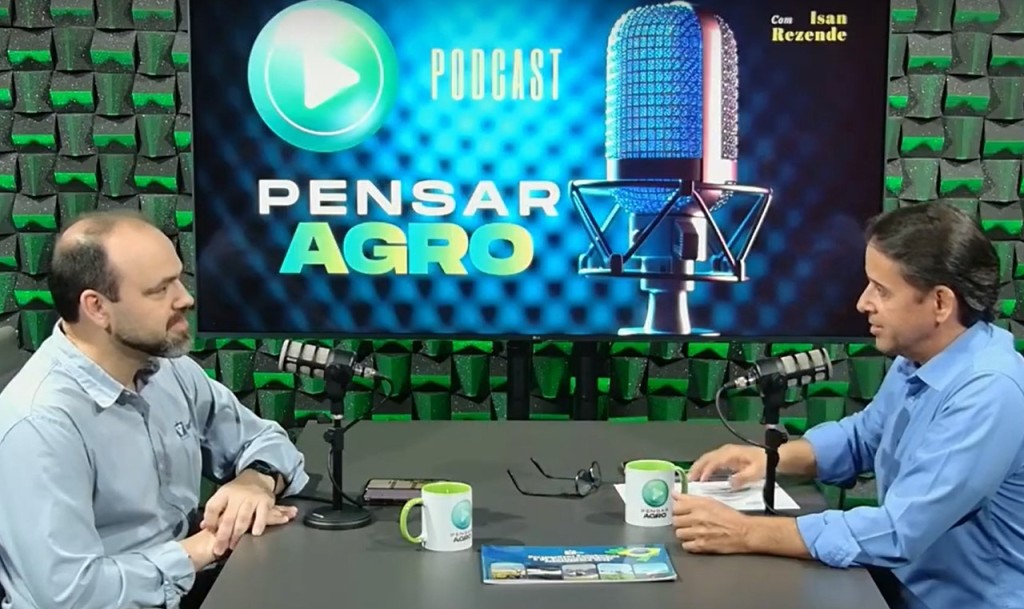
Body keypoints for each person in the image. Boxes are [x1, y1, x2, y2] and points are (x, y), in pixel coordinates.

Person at [673, 202, 1024, 609]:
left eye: (882, 290)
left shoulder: (989, 393)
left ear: (940, 303)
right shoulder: (920, 357)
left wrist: (745, 532)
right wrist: (772, 459)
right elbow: (864, 437)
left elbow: (898, 532)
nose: (863, 303)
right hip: (899, 587)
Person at [0, 210, 310, 609]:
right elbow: (71, 594)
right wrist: (208, 546)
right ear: (97, 307)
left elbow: (267, 441)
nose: (186, 298)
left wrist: (256, 481)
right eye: (160, 290)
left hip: (186, 586)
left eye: (177, 279)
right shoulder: (40, 423)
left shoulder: (169, 371)